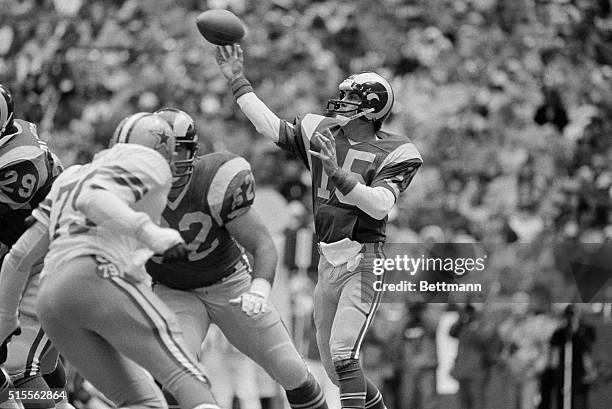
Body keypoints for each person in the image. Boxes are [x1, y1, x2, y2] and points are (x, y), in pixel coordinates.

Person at [216, 45, 423, 409]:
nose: (340, 101)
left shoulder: (396, 150)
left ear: (371, 108)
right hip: (328, 262)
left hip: (364, 260)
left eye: (350, 97)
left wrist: (339, 174)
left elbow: (380, 205)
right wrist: (238, 81)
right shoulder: (322, 130)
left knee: (344, 355)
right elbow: (270, 126)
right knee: (333, 367)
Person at [2, 112, 221, 409]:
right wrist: (152, 234)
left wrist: (5, 319)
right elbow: (93, 198)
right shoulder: (147, 162)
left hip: (51, 294)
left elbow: (18, 256)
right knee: (185, 376)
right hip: (94, 276)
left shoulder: (73, 174)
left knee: (137, 399)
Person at [146, 108, 328, 409]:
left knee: (290, 369)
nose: (173, 160)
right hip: (173, 289)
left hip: (229, 284)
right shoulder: (131, 185)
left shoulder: (216, 178)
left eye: (180, 151)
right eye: (165, 150)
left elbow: (262, 244)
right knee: (172, 373)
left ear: (193, 151)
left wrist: (259, 289)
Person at [0, 83, 69, 409]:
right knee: (32, 362)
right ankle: (60, 404)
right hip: (31, 256)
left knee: (18, 366)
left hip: (53, 257)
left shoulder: (17, 163)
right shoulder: (11, 138)